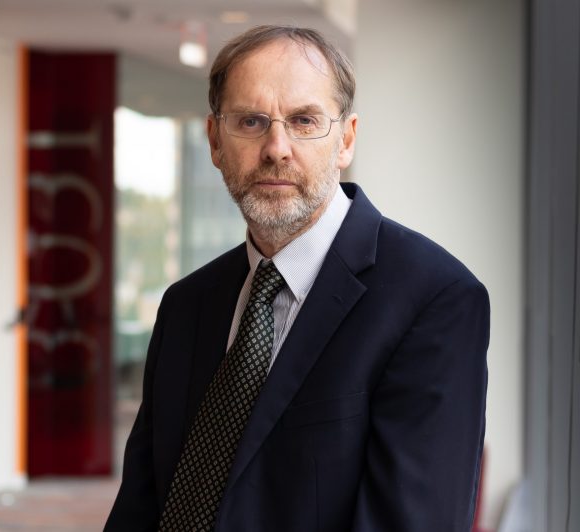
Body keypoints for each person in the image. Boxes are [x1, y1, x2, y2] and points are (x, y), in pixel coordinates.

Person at [105, 24, 489, 532]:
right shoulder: (186, 304)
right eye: (251, 121)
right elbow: (142, 504)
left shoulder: (434, 299)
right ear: (215, 141)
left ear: (346, 139)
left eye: (305, 120)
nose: (276, 148)